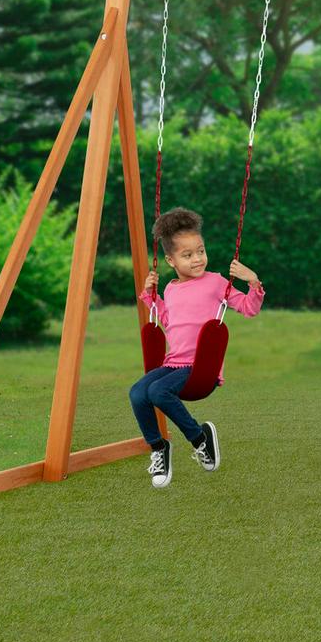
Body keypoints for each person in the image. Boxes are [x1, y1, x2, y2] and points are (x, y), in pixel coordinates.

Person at [131, 207, 264, 488]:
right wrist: (149, 294)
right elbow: (169, 320)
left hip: (200, 368)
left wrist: (252, 281)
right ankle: (158, 448)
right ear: (170, 260)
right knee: (138, 393)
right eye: (187, 255)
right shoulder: (170, 289)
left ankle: (199, 439)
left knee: (157, 390)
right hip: (172, 363)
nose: (197, 259)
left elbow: (249, 309)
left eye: (200, 251)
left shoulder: (216, 282)